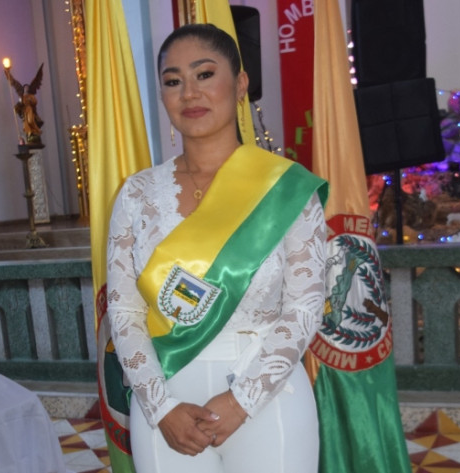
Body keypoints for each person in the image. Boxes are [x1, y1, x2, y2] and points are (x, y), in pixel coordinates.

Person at [106, 23, 328, 473]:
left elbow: (305, 307)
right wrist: (160, 406)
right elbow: (124, 311)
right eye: (173, 81)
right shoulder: (137, 195)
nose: (189, 93)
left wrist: (242, 399)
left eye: (204, 74)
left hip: (269, 398)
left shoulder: (285, 189)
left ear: (240, 84)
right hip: (166, 406)